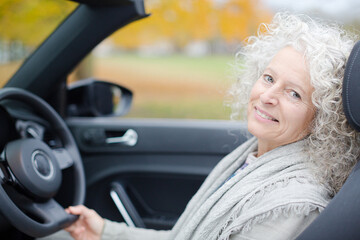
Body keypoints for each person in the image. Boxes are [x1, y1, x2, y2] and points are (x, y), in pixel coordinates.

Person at [41, 12, 360, 240]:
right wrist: (105, 232)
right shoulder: (253, 158)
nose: (268, 96)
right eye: (268, 78)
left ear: (322, 116)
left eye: (294, 93)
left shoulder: (290, 205)